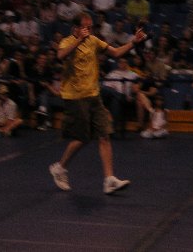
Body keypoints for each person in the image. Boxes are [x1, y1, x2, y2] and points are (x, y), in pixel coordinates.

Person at [48, 12, 146, 194]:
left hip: (94, 95)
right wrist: (79, 40)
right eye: (86, 27)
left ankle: (109, 179)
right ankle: (60, 168)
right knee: (82, 138)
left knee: (104, 134)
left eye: (91, 27)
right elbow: (60, 56)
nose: (89, 30)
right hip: (75, 97)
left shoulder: (93, 41)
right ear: (75, 28)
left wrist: (134, 42)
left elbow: (116, 53)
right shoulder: (67, 41)